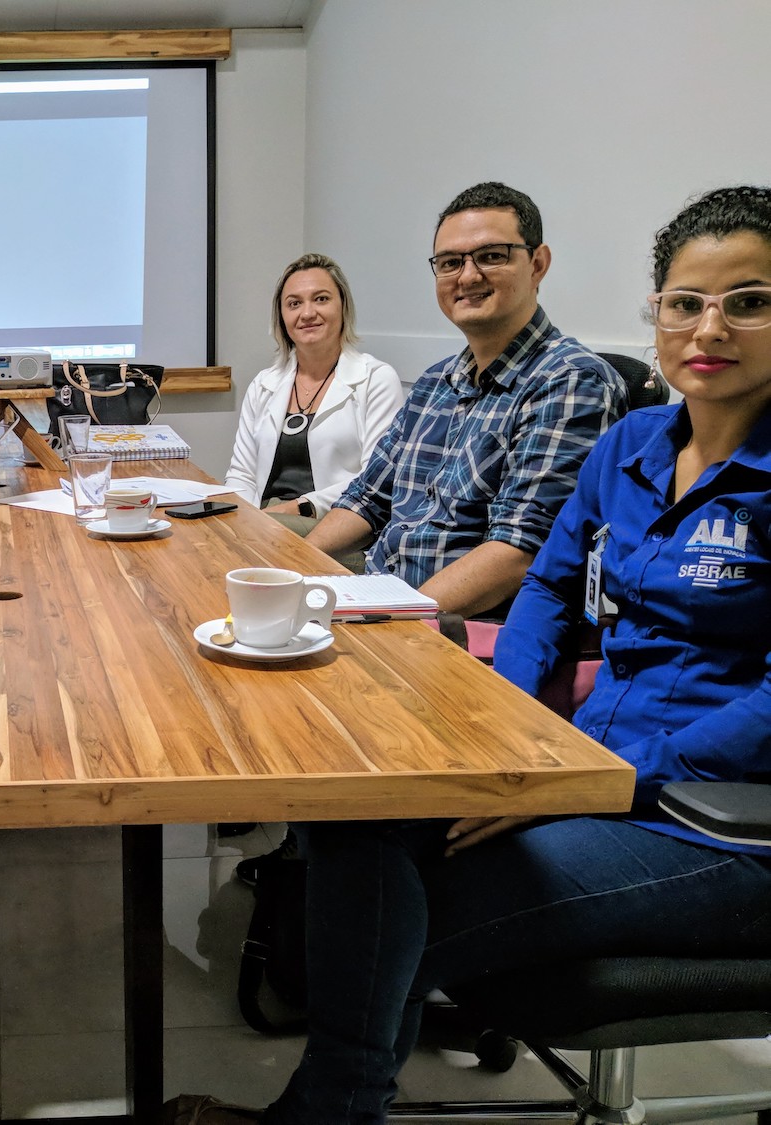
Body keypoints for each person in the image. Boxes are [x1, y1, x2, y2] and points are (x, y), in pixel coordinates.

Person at [169, 185, 771, 1124]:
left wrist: (586, 775)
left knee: (405, 913)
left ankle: (326, 1111)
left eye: (750, 301)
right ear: (657, 311)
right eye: (685, 302)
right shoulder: (634, 443)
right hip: (580, 760)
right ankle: (342, 1103)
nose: (710, 328)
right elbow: (549, 589)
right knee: (357, 819)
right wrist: (513, 739)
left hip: (708, 816)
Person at [305, 183, 626, 617]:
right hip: (383, 597)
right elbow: (367, 500)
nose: (468, 276)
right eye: (450, 263)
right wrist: (293, 572)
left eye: (491, 256)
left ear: (537, 264)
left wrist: (386, 619)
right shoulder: (436, 381)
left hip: (459, 628)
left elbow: (517, 552)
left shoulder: (571, 382)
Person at [223, 253, 404, 542]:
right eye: (294, 303)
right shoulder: (263, 384)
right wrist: (241, 519)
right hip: (265, 520)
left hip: (338, 524)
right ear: (282, 317)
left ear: (343, 307)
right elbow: (241, 473)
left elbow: (375, 480)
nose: (307, 313)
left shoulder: (376, 379)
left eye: (321, 299)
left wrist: (298, 507)